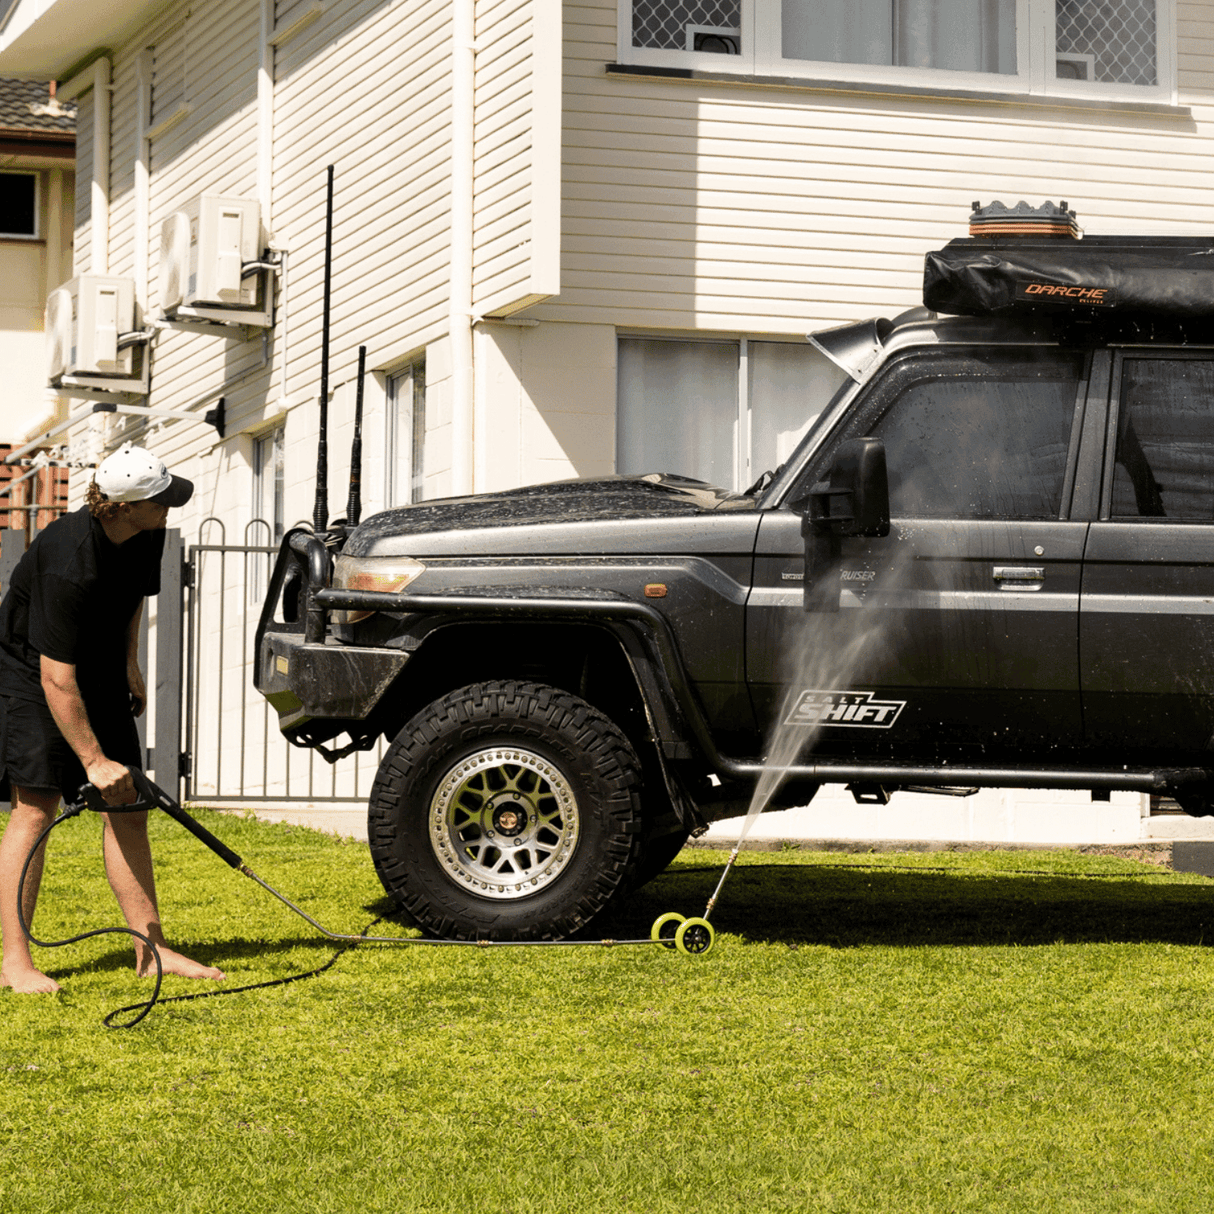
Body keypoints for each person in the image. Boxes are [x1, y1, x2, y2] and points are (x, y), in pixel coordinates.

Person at [0, 443, 225, 994]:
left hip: (96, 667)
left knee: (126, 806)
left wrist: (130, 663)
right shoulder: (68, 560)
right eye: (159, 500)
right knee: (36, 807)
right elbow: (55, 677)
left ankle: (152, 952)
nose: (170, 506)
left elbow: (132, 599)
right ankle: (14, 962)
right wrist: (93, 760)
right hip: (33, 674)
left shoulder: (146, 533)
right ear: (122, 507)